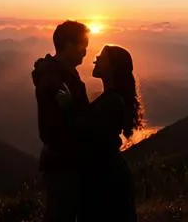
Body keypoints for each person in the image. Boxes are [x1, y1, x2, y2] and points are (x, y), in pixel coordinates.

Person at [58, 44, 143, 222]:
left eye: (101, 57)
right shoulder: (110, 99)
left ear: (112, 67)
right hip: (104, 177)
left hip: (106, 181)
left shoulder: (113, 102)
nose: (95, 58)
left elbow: (89, 133)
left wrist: (69, 107)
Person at [31, 20, 90, 222]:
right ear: (68, 45)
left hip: (65, 161)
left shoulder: (62, 73)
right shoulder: (54, 79)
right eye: (83, 45)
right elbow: (56, 126)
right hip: (62, 163)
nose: (85, 52)